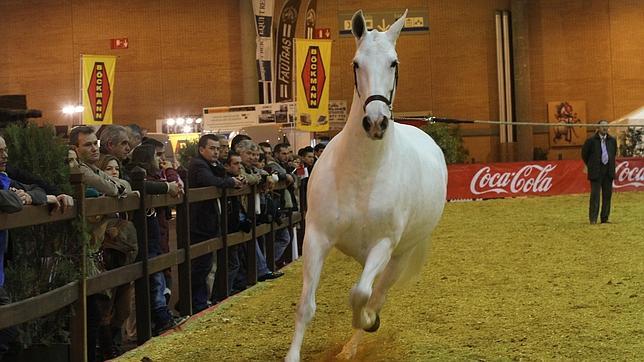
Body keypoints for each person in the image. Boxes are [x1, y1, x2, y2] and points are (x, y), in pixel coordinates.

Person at [188, 134, 243, 312]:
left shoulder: (212, 164)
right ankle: (196, 304)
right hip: (200, 222)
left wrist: (231, 178)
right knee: (201, 266)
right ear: (201, 149)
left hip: (210, 221)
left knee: (208, 265)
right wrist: (230, 182)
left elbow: (221, 174)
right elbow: (209, 181)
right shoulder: (198, 164)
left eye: (218, 149)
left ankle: (200, 301)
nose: (216, 152)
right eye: (212, 148)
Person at [581, 120, 617, 224]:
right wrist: (592, 165)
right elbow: (584, 154)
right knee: (595, 196)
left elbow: (613, 153)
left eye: (606, 127)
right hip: (596, 172)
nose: (604, 128)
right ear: (598, 128)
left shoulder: (612, 140)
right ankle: (593, 219)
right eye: (602, 127)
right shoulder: (591, 141)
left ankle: (604, 218)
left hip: (608, 171)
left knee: (607, 196)